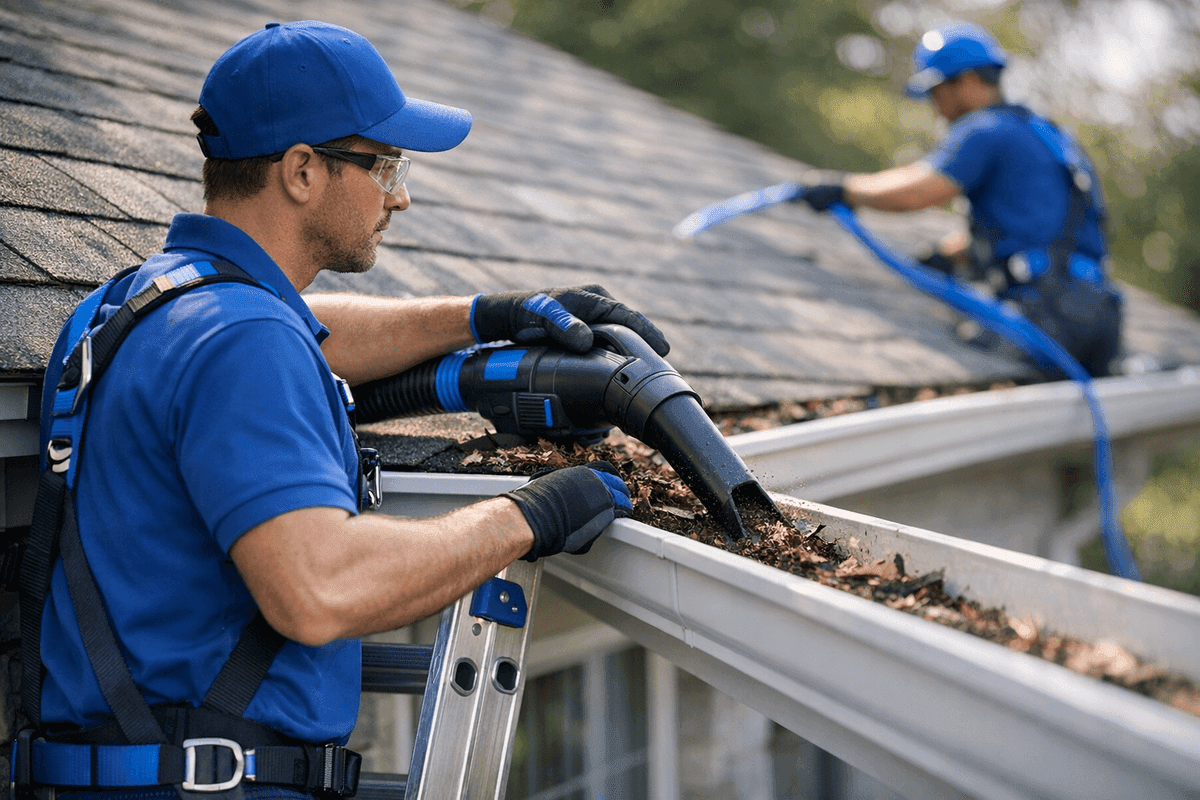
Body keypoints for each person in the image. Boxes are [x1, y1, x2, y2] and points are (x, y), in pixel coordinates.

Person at [22, 20, 669, 800]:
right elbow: (318, 589)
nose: (401, 194)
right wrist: (528, 516)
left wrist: (483, 315)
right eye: (383, 164)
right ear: (300, 171)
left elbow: (305, 333)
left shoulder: (127, 308)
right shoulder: (243, 341)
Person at [793, 21, 1122, 378]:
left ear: (964, 82)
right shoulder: (1046, 135)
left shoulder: (984, 130)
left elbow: (921, 189)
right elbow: (1036, 229)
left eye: (936, 92)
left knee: (950, 369)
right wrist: (948, 256)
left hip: (1046, 315)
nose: (936, 108)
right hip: (1099, 314)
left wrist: (844, 188)